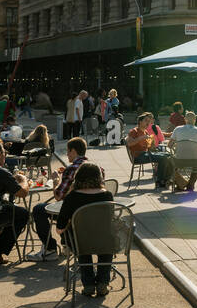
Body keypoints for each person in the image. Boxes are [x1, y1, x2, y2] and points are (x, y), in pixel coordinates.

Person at [55, 161, 114, 297]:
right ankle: (102, 283)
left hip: (81, 242)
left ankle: (88, 285)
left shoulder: (72, 197)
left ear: (78, 177)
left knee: (80, 241)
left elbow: (59, 228)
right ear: (99, 177)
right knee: (107, 241)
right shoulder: (107, 195)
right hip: (104, 241)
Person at [30, 136, 90, 259]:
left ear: (73, 151)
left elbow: (59, 196)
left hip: (73, 212)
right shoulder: (96, 167)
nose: (67, 155)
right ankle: (67, 245)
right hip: (90, 211)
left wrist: (55, 180)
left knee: (39, 209)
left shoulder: (72, 168)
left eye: (68, 151)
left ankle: (49, 248)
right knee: (63, 207)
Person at [127, 114, 174, 189]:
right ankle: (160, 181)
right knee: (162, 158)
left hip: (146, 153)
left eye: (149, 121)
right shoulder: (134, 131)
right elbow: (129, 143)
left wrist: (151, 144)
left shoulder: (145, 132)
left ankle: (167, 179)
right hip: (138, 156)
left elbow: (149, 147)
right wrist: (141, 138)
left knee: (169, 155)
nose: (148, 123)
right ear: (140, 121)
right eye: (146, 121)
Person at [168, 111, 197, 191]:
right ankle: (191, 184)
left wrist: (177, 146)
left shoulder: (177, 129)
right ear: (195, 120)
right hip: (195, 161)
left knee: (169, 161)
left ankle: (181, 182)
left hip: (179, 160)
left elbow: (169, 145)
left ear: (185, 119)